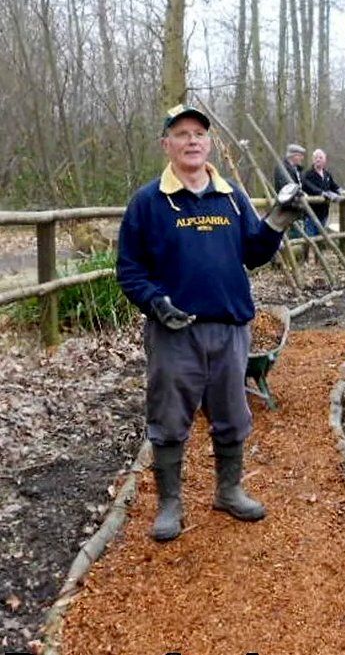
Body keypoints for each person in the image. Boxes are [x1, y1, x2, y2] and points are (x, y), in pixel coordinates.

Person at [116, 104, 303, 542]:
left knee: (232, 412)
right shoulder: (148, 203)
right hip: (173, 331)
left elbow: (253, 254)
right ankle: (169, 505)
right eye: (182, 133)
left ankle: (229, 490)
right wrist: (155, 303)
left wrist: (278, 220)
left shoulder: (231, 195)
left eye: (199, 132)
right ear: (167, 144)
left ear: (209, 142)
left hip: (231, 327)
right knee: (169, 414)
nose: (192, 140)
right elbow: (129, 270)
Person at [301, 148, 345, 238]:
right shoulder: (308, 174)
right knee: (311, 237)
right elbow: (310, 187)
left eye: (320, 157)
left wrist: (341, 191)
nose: (318, 159)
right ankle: (310, 252)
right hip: (311, 212)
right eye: (316, 158)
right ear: (313, 160)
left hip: (324, 212)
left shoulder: (327, 174)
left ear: (324, 160)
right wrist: (321, 193)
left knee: (320, 236)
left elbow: (333, 185)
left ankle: (318, 251)